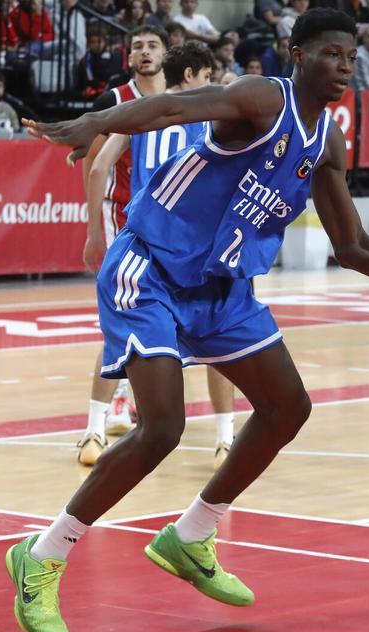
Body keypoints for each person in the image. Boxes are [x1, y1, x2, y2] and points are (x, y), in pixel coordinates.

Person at [13, 8, 369, 632]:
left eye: (351, 59)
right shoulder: (259, 97)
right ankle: (43, 555)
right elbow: (167, 110)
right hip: (152, 266)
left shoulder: (326, 139)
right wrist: (95, 122)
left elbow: (353, 246)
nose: (344, 68)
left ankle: (190, 535)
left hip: (222, 288)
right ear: (296, 54)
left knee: (287, 406)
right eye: (332, 54)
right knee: (162, 427)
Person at [85, 43, 242, 468]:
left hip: (143, 242)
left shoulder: (141, 111)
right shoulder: (209, 116)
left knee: (124, 334)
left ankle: (93, 431)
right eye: (208, 76)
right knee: (219, 339)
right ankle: (226, 439)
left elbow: (99, 167)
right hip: (195, 245)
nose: (212, 85)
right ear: (192, 75)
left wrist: (92, 232)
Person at [74, 26, 170, 465]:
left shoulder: (182, 100)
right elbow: (91, 163)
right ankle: (93, 427)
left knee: (152, 318)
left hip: (167, 230)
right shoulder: (114, 101)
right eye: (137, 47)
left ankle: (123, 403)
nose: (144, 53)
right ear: (127, 56)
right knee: (122, 319)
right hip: (121, 221)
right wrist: (93, 229)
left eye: (152, 46)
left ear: (168, 55)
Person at [77, 26, 125, 99]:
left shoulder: (112, 57)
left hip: (108, 93)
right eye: (93, 42)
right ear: (88, 44)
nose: (96, 45)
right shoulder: (84, 61)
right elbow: (81, 83)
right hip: (91, 95)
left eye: (99, 41)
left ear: (104, 42)